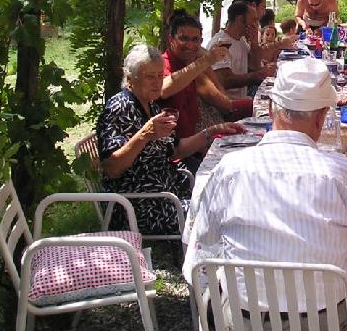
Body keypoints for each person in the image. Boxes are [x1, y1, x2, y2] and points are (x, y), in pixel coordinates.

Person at [184, 58, 347, 331]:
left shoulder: (228, 168)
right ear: (321, 117)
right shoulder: (341, 172)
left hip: (244, 326)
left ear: (272, 108)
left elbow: (202, 242)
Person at [97, 44, 243, 236]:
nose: (158, 82)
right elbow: (112, 167)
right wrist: (144, 135)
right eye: (150, 76)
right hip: (139, 205)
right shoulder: (120, 108)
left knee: (228, 195)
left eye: (160, 75)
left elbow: (176, 149)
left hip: (169, 192)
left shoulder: (152, 107)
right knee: (222, 213)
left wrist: (212, 132)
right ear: (131, 79)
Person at [159, 9, 231, 142]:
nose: (190, 45)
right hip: (172, 153)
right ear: (171, 40)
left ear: (201, 41)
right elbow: (163, 89)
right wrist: (206, 60)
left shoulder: (194, 65)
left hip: (193, 146)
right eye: (183, 39)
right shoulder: (163, 63)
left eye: (195, 40)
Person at [208, 0, 285, 99]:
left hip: (242, 99)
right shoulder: (220, 43)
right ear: (240, 19)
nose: (256, 24)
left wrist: (254, 44)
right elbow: (225, 81)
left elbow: (255, 66)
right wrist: (259, 74)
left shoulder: (241, 39)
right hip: (229, 106)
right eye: (254, 20)